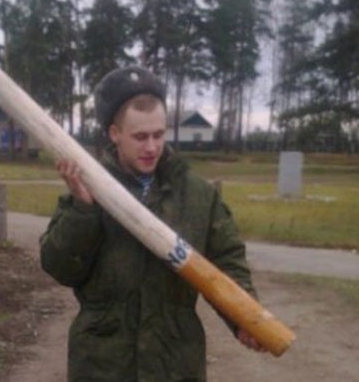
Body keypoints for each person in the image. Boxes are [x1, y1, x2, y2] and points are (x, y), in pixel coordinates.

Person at [40, 66, 264, 382]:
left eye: (159, 135)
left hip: (175, 363)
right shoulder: (88, 191)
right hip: (103, 365)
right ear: (114, 133)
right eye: (140, 137)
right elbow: (60, 268)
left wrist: (244, 318)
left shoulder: (198, 196)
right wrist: (83, 210)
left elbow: (227, 262)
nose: (151, 147)